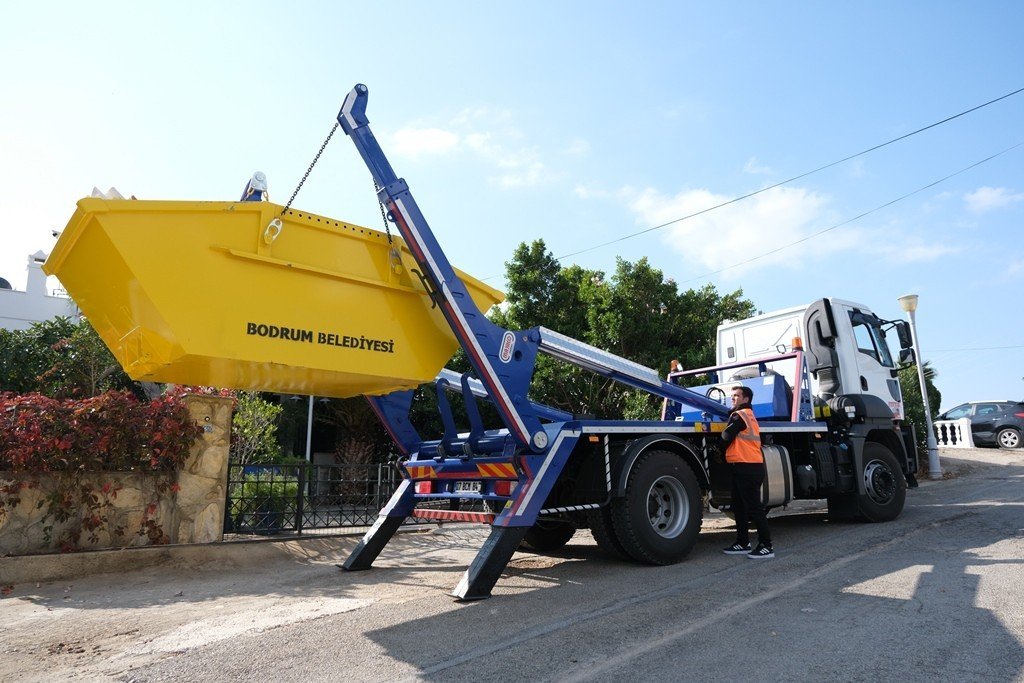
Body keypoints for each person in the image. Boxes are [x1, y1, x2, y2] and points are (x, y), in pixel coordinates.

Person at [721, 385, 774, 559]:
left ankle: (766, 546)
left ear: (746, 399)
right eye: (732, 396)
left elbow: (726, 436)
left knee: (754, 508)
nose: (733, 398)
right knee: (739, 506)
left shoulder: (740, 415)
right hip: (744, 466)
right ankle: (742, 542)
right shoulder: (747, 415)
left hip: (748, 467)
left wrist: (719, 450)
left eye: (736, 396)